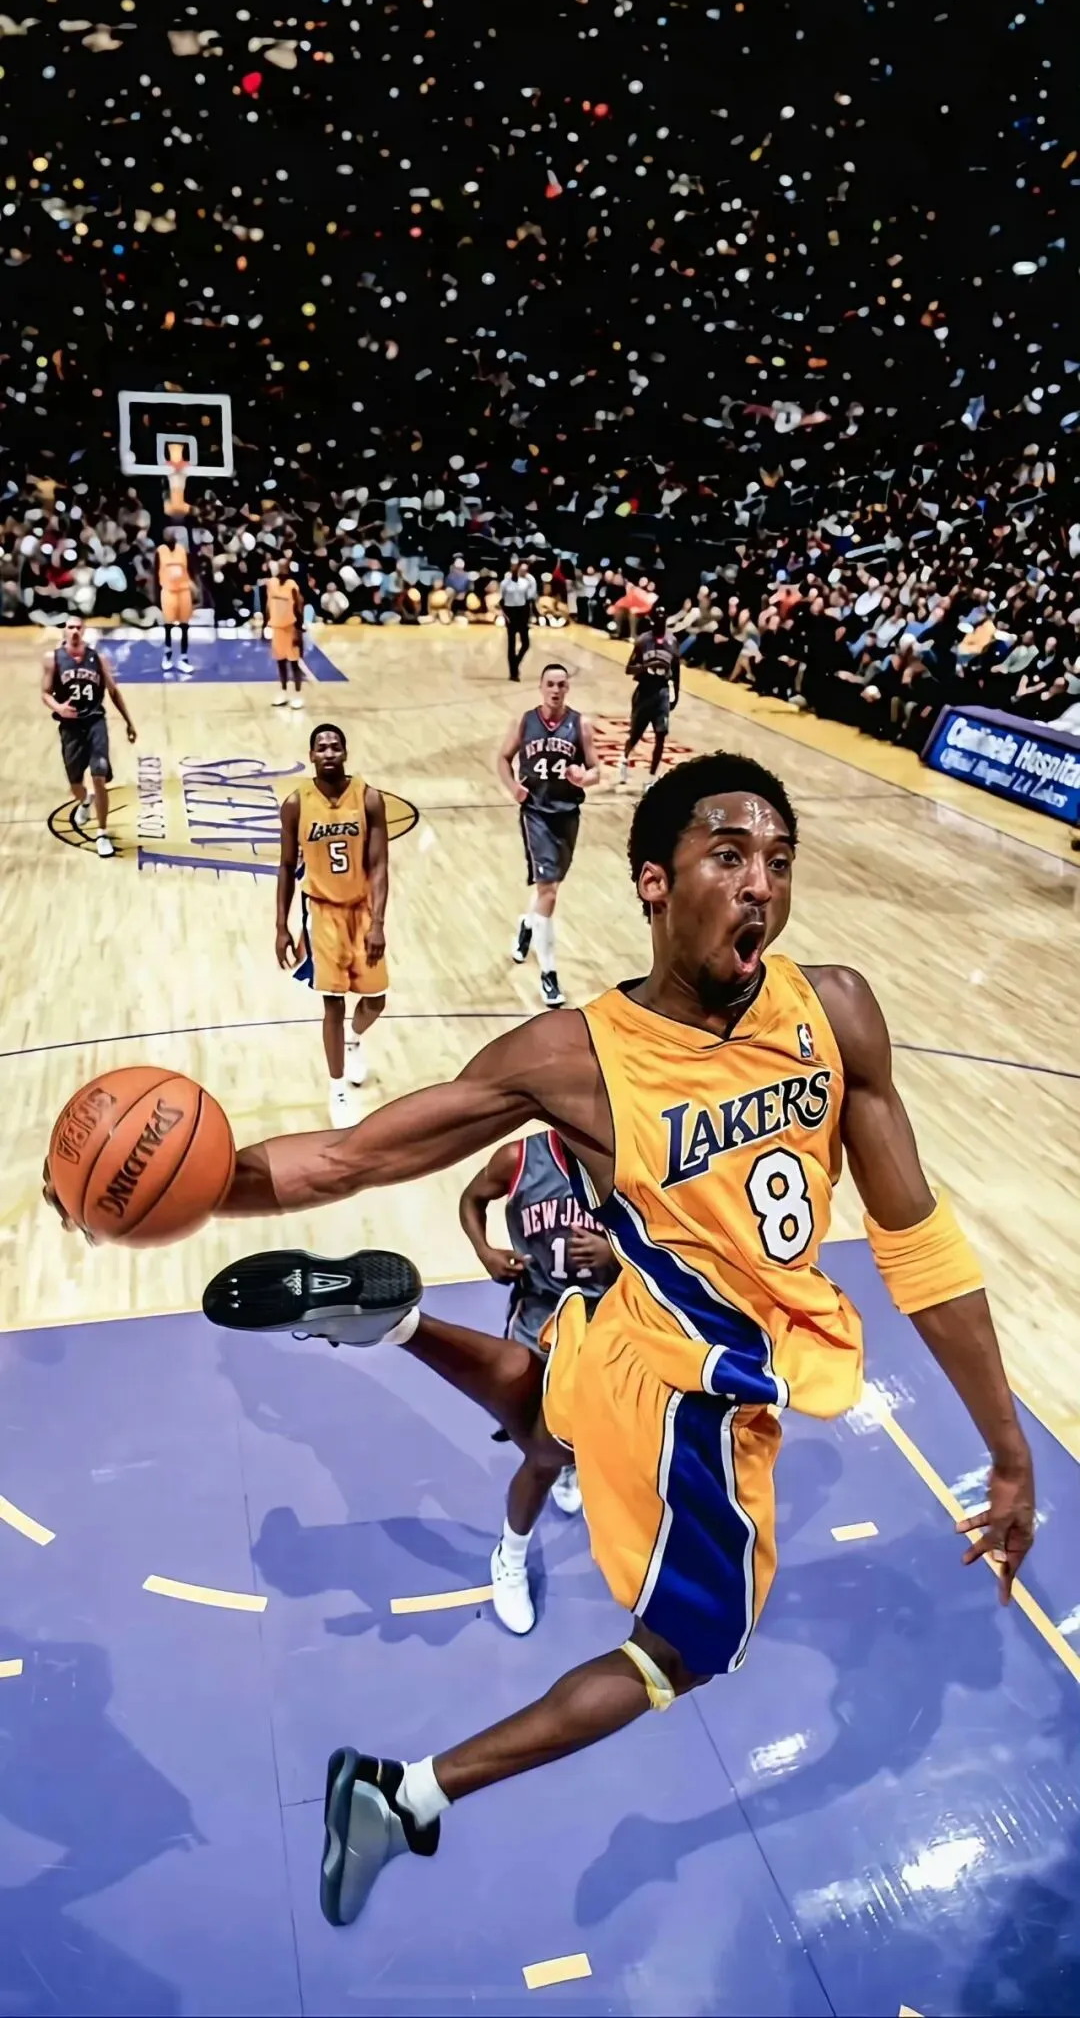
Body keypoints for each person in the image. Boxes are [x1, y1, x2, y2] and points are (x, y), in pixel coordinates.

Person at [198, 750, 1035, 1934]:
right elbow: (346, 1157)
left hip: (612, 1331)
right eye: (728, 857)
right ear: (652, 881)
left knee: (547, 1426)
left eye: (779, 860)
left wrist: (1007, 1442)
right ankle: (402, 1793)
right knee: (685, 1650)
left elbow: (920, 1246)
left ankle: (396, 1322)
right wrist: (191, 1188)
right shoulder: (576, 1057)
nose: (761, 884)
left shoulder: (833, 1011)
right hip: (701, 1389)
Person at [458, 1132, 617, 1629]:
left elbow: (677, 1240)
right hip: (539, 1323)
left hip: (612, 1323)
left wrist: (616, 1253)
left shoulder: (640, 1154)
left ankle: (574, 1463)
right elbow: (471, 1199)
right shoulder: (518, 1159)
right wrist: (485, 1251)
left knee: (594, 1438)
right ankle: (509, 1558)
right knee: (543, 1456)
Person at [276, 724, 389, 1128]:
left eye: (334, 746)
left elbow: (379, 865)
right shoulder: (296, 804)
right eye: (321, 747)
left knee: (376, 1000)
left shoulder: (368, 798)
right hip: (321, 912)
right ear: (311, 756)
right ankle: (337, 1087)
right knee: (333, 1002)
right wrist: (282, 926)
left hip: (361, 908)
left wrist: (378, 923)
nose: (328, 753)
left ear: (345, 753)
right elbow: (286, 866)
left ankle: (353, 1040)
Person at [496, 660, 600, 1007]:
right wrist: (513, 787)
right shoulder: (524, 722)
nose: (555, 690)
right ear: (541, 687)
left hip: (567, 814)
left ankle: (528, 925)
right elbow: (503, 758)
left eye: (561, 684)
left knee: (550, 887)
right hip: (536, 813)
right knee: (549, 891)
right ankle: (549, 975)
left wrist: (584, 778)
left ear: (567, 688)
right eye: (550, 684)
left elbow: (596, 769)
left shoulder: (580, 724)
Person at [41, 613, 137, 859]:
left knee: (99, 775)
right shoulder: (53, 659)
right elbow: (45, 693)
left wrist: (128, 722)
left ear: (83, 631)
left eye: (78, 627)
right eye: (70, 627)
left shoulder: (98, 658)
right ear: (64, 630)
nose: (74, 631)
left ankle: (102, 833)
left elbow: (113, 692)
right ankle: (85, 801)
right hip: (70, 726)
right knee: (75, 785)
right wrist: (59, 707)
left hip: (95, 721)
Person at [618, 608, 681, 784]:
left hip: (662, 692)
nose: (660, 621)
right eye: (657, 618)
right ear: (652, 620)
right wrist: (645, 667)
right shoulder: (643, 641)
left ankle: (652, 778)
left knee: (661, 735)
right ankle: (624, 760)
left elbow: (676, 671)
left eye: (662, 618)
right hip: (644, 691)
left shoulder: (673, 642)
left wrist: (676, 694)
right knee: (636, 734)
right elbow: (629, 669)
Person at [266, 558, 305, 709]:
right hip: (277, 628)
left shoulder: (292, 586)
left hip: (290, 629)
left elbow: (299, 609)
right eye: (280, 566)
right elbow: (268, 605)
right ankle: (283, 692)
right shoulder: (271, 583)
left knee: (294, 664)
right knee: (280, 663)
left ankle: (297, 695)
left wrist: (298, 631)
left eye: (284, 567)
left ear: (288, 568)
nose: (282, 569)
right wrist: (265, 625)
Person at [156, 530, 194, 674]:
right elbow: (155, 573)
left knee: (184, 626)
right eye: (167, 535)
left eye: (172, 535)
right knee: (168, 626)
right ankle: (167, 655)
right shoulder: (160, 551)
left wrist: (194, 587)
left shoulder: (182, 550)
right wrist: (155, 597)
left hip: (184, 591)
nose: (170, 537)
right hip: (168, 591)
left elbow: (190, 570)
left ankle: (184, 658)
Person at [499, 554, 538, 682]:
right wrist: (505, 614)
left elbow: (529, 598)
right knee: (511, 644)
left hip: (522, 611)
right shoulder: (505, 582)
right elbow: (501, 599)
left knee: (525, 643)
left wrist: (530, 615)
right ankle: (513, 673)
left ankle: (516, 662)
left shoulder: (527, 582)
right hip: (510, 612)